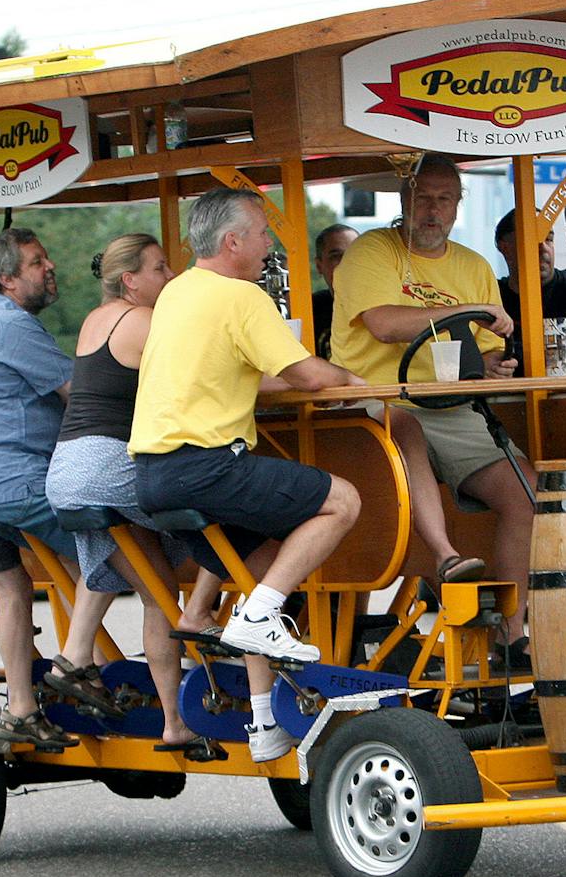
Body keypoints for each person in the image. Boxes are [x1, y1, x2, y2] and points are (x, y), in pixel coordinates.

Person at [130, 187, 364, 763]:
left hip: (154, 478)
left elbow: (251, 377)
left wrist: (311, 379)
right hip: (204, 466)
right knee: (344, 501)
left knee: (265, 580)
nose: (268, 247)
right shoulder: (242, 295)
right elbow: (310, 376)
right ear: (232, 242)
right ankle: (257, 620)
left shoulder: (180, 291)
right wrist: (348, 381)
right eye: (263, 235)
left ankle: (263, 722)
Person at [331, 153, 534, 668]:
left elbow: (484, 347)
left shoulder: (473, 265)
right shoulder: (372, 250)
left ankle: (511, 638)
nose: (432, 210)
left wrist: (493, 365)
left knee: (527, 491)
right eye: (423, 198)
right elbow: (382, 323)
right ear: (404, 201)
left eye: (444, 199)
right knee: (405, 425)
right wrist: (461, 311)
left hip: (451, 402)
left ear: (458, 206)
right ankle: (445, 556)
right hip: (372, 401)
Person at [45, 233, 226, 758]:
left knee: (154, 589)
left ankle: (173, 722)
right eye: (159, 268)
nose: (169, 277)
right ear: (131, 280)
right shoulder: (144, 322)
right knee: (227, 502)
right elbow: (194, 379)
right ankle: (200, 611)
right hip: (106, 463)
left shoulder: (95, 320)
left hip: (67, 465)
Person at [0, 229, 97, 750]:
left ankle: (24, 707)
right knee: (109, 553)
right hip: (13, 484)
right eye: (36, 262)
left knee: (12, 591)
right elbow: (80, 394)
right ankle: (80, 668)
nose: (48, 267)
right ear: (7, 280)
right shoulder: (11, 326)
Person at [494, 209, 557, 376]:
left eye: (549, 239)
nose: (543, 247)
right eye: (531, 239)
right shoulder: (489, 296)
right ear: (505, 248)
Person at [311, 223, 358, 359]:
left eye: (355, 254)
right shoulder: (309, 310)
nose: (347, 262)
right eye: (337, 256)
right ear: (319, 266)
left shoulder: (383, 307)